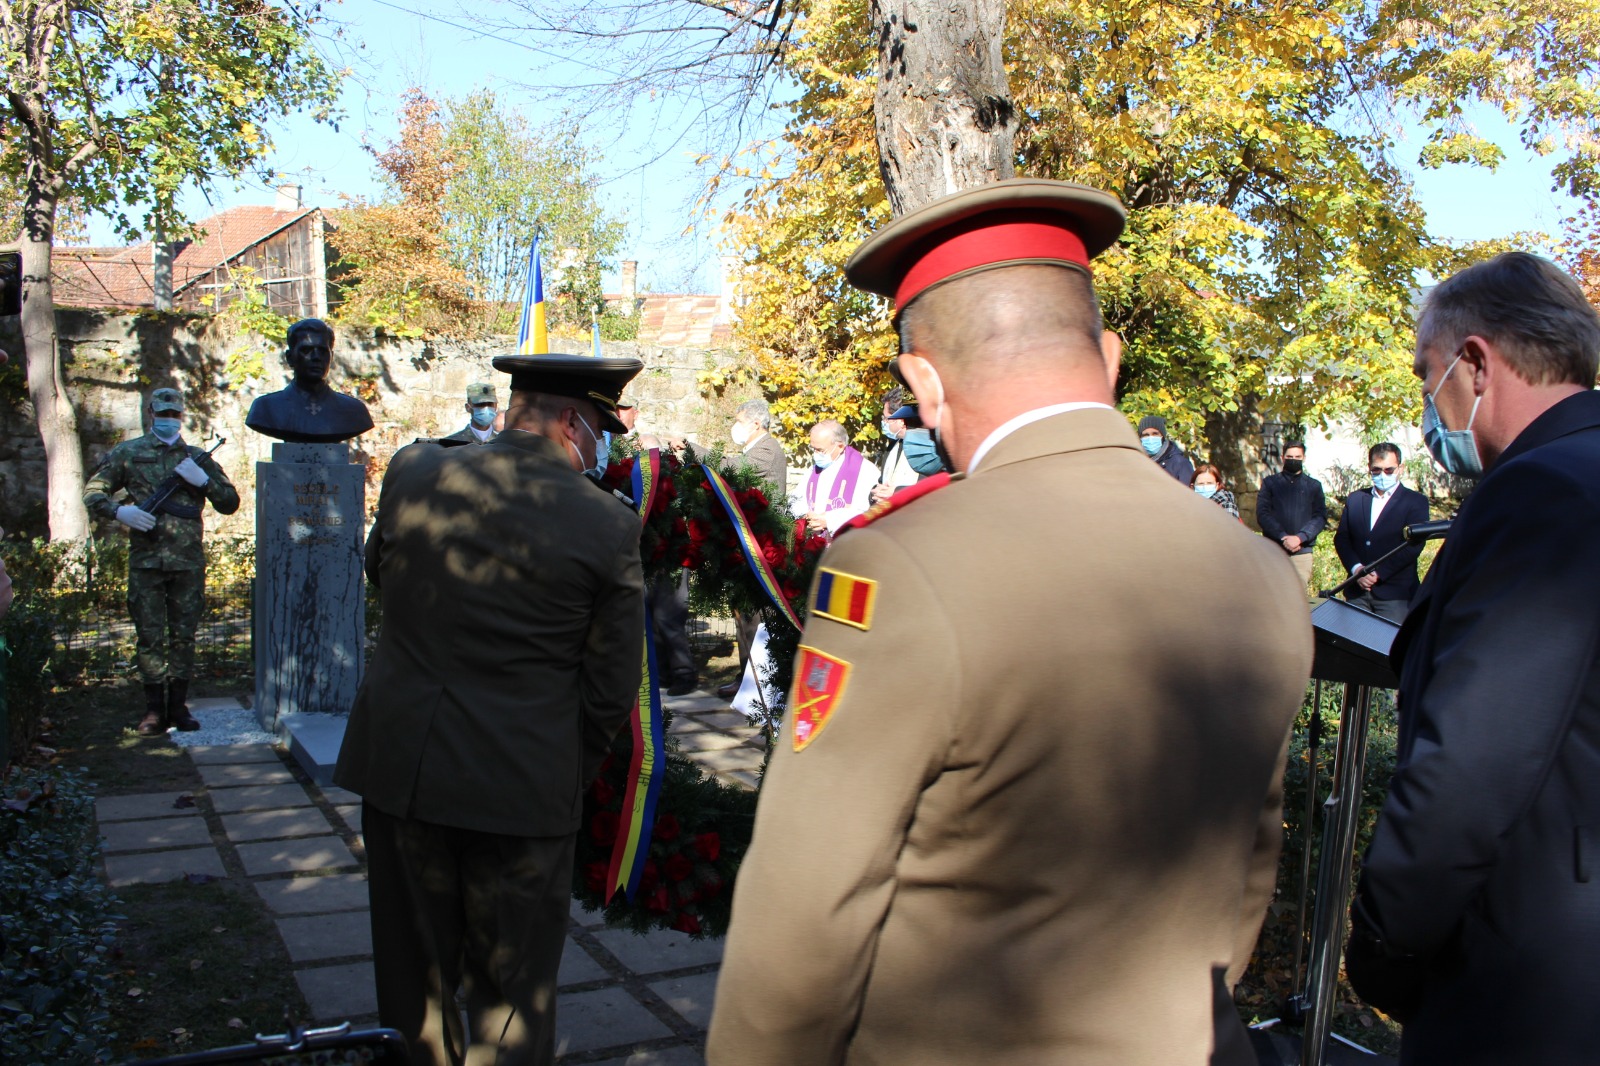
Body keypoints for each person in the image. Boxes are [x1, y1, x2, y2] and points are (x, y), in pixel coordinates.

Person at [707, 178, 1313, 1066]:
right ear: (1109, 358)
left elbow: (808, 905)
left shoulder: (900, 565)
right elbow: (1253, 863)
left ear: (923, 382)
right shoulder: (1260, 570)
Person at [334, 352, 646, 1066]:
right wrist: (567, 769)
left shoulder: (416, 469)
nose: (599, 447)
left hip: (403, 768)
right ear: (572, 423)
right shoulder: (606, 523)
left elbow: (381, 571)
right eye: (600, 430)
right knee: (510, 997)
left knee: (414, 984)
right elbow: (610, 684)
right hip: (522, 787)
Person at [1344, 253, 1600, 1065]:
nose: (1428, 402)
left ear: (1477, 363)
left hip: (1528, 980)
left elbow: (1472, 766)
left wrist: (1385, 944)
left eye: (1430, 374)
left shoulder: (1540, 491)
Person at [83, 387, 240, 735]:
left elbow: (230, 502)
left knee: (184, 636)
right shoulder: (128, 453)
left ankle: (178, 707)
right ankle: (154, 710)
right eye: (163, 413)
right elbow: (93, 492)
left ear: (181, 416)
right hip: (147, 562)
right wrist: (120, 512)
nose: (169, 419)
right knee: (149, 636)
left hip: (187, 563)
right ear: (151, 413)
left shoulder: (197, 457)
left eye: (174, 414)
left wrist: (204, 482)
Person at [720, 398, 791, 699]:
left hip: (761, 545)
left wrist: (692, 450)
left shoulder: (767, 449)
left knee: (754, 618)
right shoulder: (754, 448)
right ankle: (746, 680)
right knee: (743, 616)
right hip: (747, 543)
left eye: (739, 421)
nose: (735, 427)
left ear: (756, 423)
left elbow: (733, 468)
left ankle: (759, 685)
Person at [1330, 442, 1429, 621]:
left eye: (1389, 470)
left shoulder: (1415, 502)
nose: (1383, 475)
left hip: (1395, 595)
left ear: (1400, 468)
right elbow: (1342, 539)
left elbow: (1414, 545)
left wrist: (1379, 573)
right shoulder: (1356, 499)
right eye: (1376, 470)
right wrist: (1357, 570)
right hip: (1357, 592)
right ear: (1369, 468)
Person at [245, 318, 375, 443]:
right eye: (306, 350)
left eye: (322, 351)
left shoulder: (354, 411)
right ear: (290, 357)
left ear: (331, 356)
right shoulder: (265, 408)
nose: (316, 357)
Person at [1255, 441, 1325, 592]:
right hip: (1274, 551)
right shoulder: (1270, 483)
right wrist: (1282, 536)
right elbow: (1263, 514)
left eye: (1297, 457)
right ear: (1282, 458)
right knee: (1272, 594)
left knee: (1297, 596)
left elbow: (1319, 517)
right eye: (1290, 457)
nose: (1294, 460)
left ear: (1304, 458)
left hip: (1302, 553)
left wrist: (1300, 537)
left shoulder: (1314, 486)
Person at [790, 420, 880, 537]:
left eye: (820, 450)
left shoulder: (865, 471)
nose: (815, 454)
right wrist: (805, 515)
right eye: (813, 449)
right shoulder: (814, 469)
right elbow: (795, 499)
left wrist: (830, 521)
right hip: (813, 540)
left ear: (840, 446)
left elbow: (867, 512)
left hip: (845, 540)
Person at [871, 386, 921, 503]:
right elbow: (883, 481)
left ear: (901, 421)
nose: (884, 422)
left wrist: (896, 493)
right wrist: (875, 493)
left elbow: (928, 486)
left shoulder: (927, 448)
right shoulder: (893, 445)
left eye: (887, 418)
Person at [1136, 414, 1194, 483]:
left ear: (1163, 436)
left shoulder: (1180, 463)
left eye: (1155, 434)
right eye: (1145, 435)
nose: (1150, 438)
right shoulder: (1136, 463)